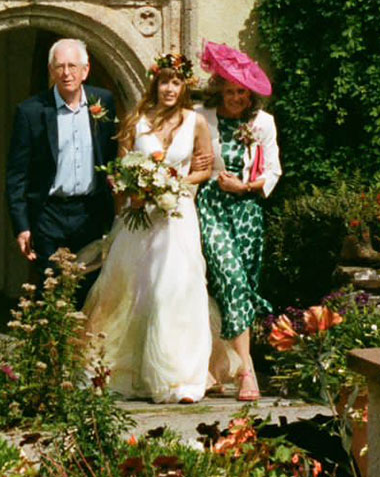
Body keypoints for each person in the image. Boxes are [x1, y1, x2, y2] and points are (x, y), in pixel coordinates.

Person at [83, 53, 214, 403]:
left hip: (178, 216)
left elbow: (206, 167)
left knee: (172, 291)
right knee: (133, 291)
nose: (169, 88)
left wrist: (178, 182)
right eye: (164, 81)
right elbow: (121, 171)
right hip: (141, 217)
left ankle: (177, 378)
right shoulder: (136, 120)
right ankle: (128, 372)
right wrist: (134, 191)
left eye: (176, 82)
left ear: (184, 85)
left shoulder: (195, 121)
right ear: (154, 83)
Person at [194, 42, 282, 403]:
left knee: (239, 287)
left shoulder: (263, 123)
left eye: (241, 92)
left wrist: (244, 185)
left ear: (250, 94)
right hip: (211, 208)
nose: (235, 98)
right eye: (229, 91)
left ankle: (218, 368)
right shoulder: (204, 117)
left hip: (247, 211)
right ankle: (247, 371)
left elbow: (274, 170)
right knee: (229, 279)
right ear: (219, 91)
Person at [4, 38, 118, 286]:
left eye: (72, 66)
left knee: (89, 287)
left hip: (91, 212)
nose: (67, 73)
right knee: (52, 287)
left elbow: (112, 153)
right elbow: (17, 175)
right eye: (60, 67)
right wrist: (21, 226)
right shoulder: (31, 111)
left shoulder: (104, 102)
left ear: (85, 71)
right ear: (51, 71)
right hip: (49, 214)